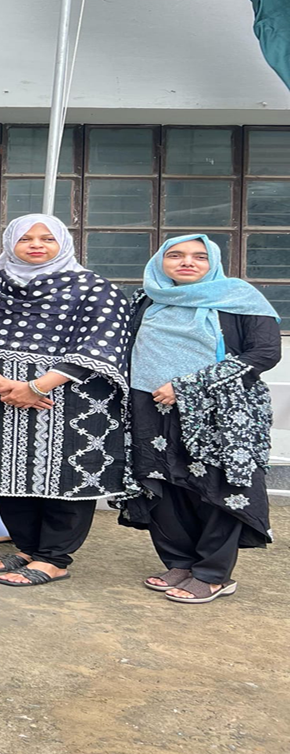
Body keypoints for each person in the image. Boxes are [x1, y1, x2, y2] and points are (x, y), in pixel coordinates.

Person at [0, 214, 130, 588]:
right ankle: (28, 548)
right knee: (6, 472)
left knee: (65, 476)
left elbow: (102, 345)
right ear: (10, 243)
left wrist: (38, 387)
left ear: (64, 243)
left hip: (71, 400)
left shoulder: (95, 289)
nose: (36, 245)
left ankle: (55, 558)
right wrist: (1, 384)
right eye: (25, 238)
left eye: (47, 238)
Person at [118, 235, 280, 604]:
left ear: (214, 263)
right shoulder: (147, 299)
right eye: (175, 255)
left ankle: (212, 573)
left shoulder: (239, 297)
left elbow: (265, 353)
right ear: (160, 263)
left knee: (217, 487)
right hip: (150, 406)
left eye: (199, 257)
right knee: (163, 484)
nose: (187, 262)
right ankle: (180, 562)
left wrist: (188, 385)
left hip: (220, 410)